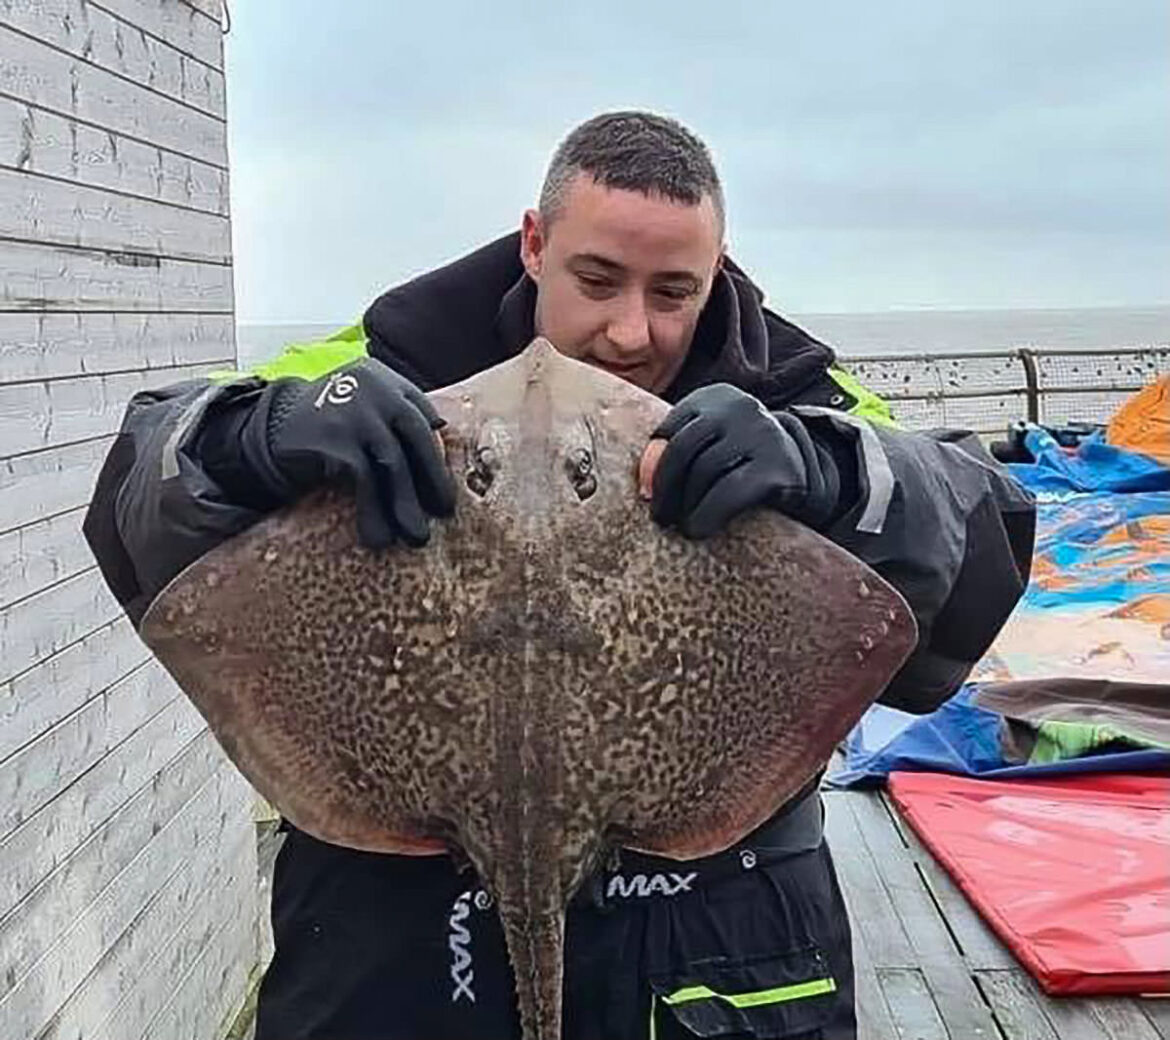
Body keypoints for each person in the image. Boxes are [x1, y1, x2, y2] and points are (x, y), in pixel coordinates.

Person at [84, 111, 1035, 1039]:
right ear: (534, 245)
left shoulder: (793, 393)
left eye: (674, 292)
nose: (630, 331)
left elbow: (986, 517)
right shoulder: (384, 362)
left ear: (719, 273)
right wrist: (260, 432)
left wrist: (829, 467)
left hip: (719, 926)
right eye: (597, 279)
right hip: (394, 934)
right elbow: (141, 478)